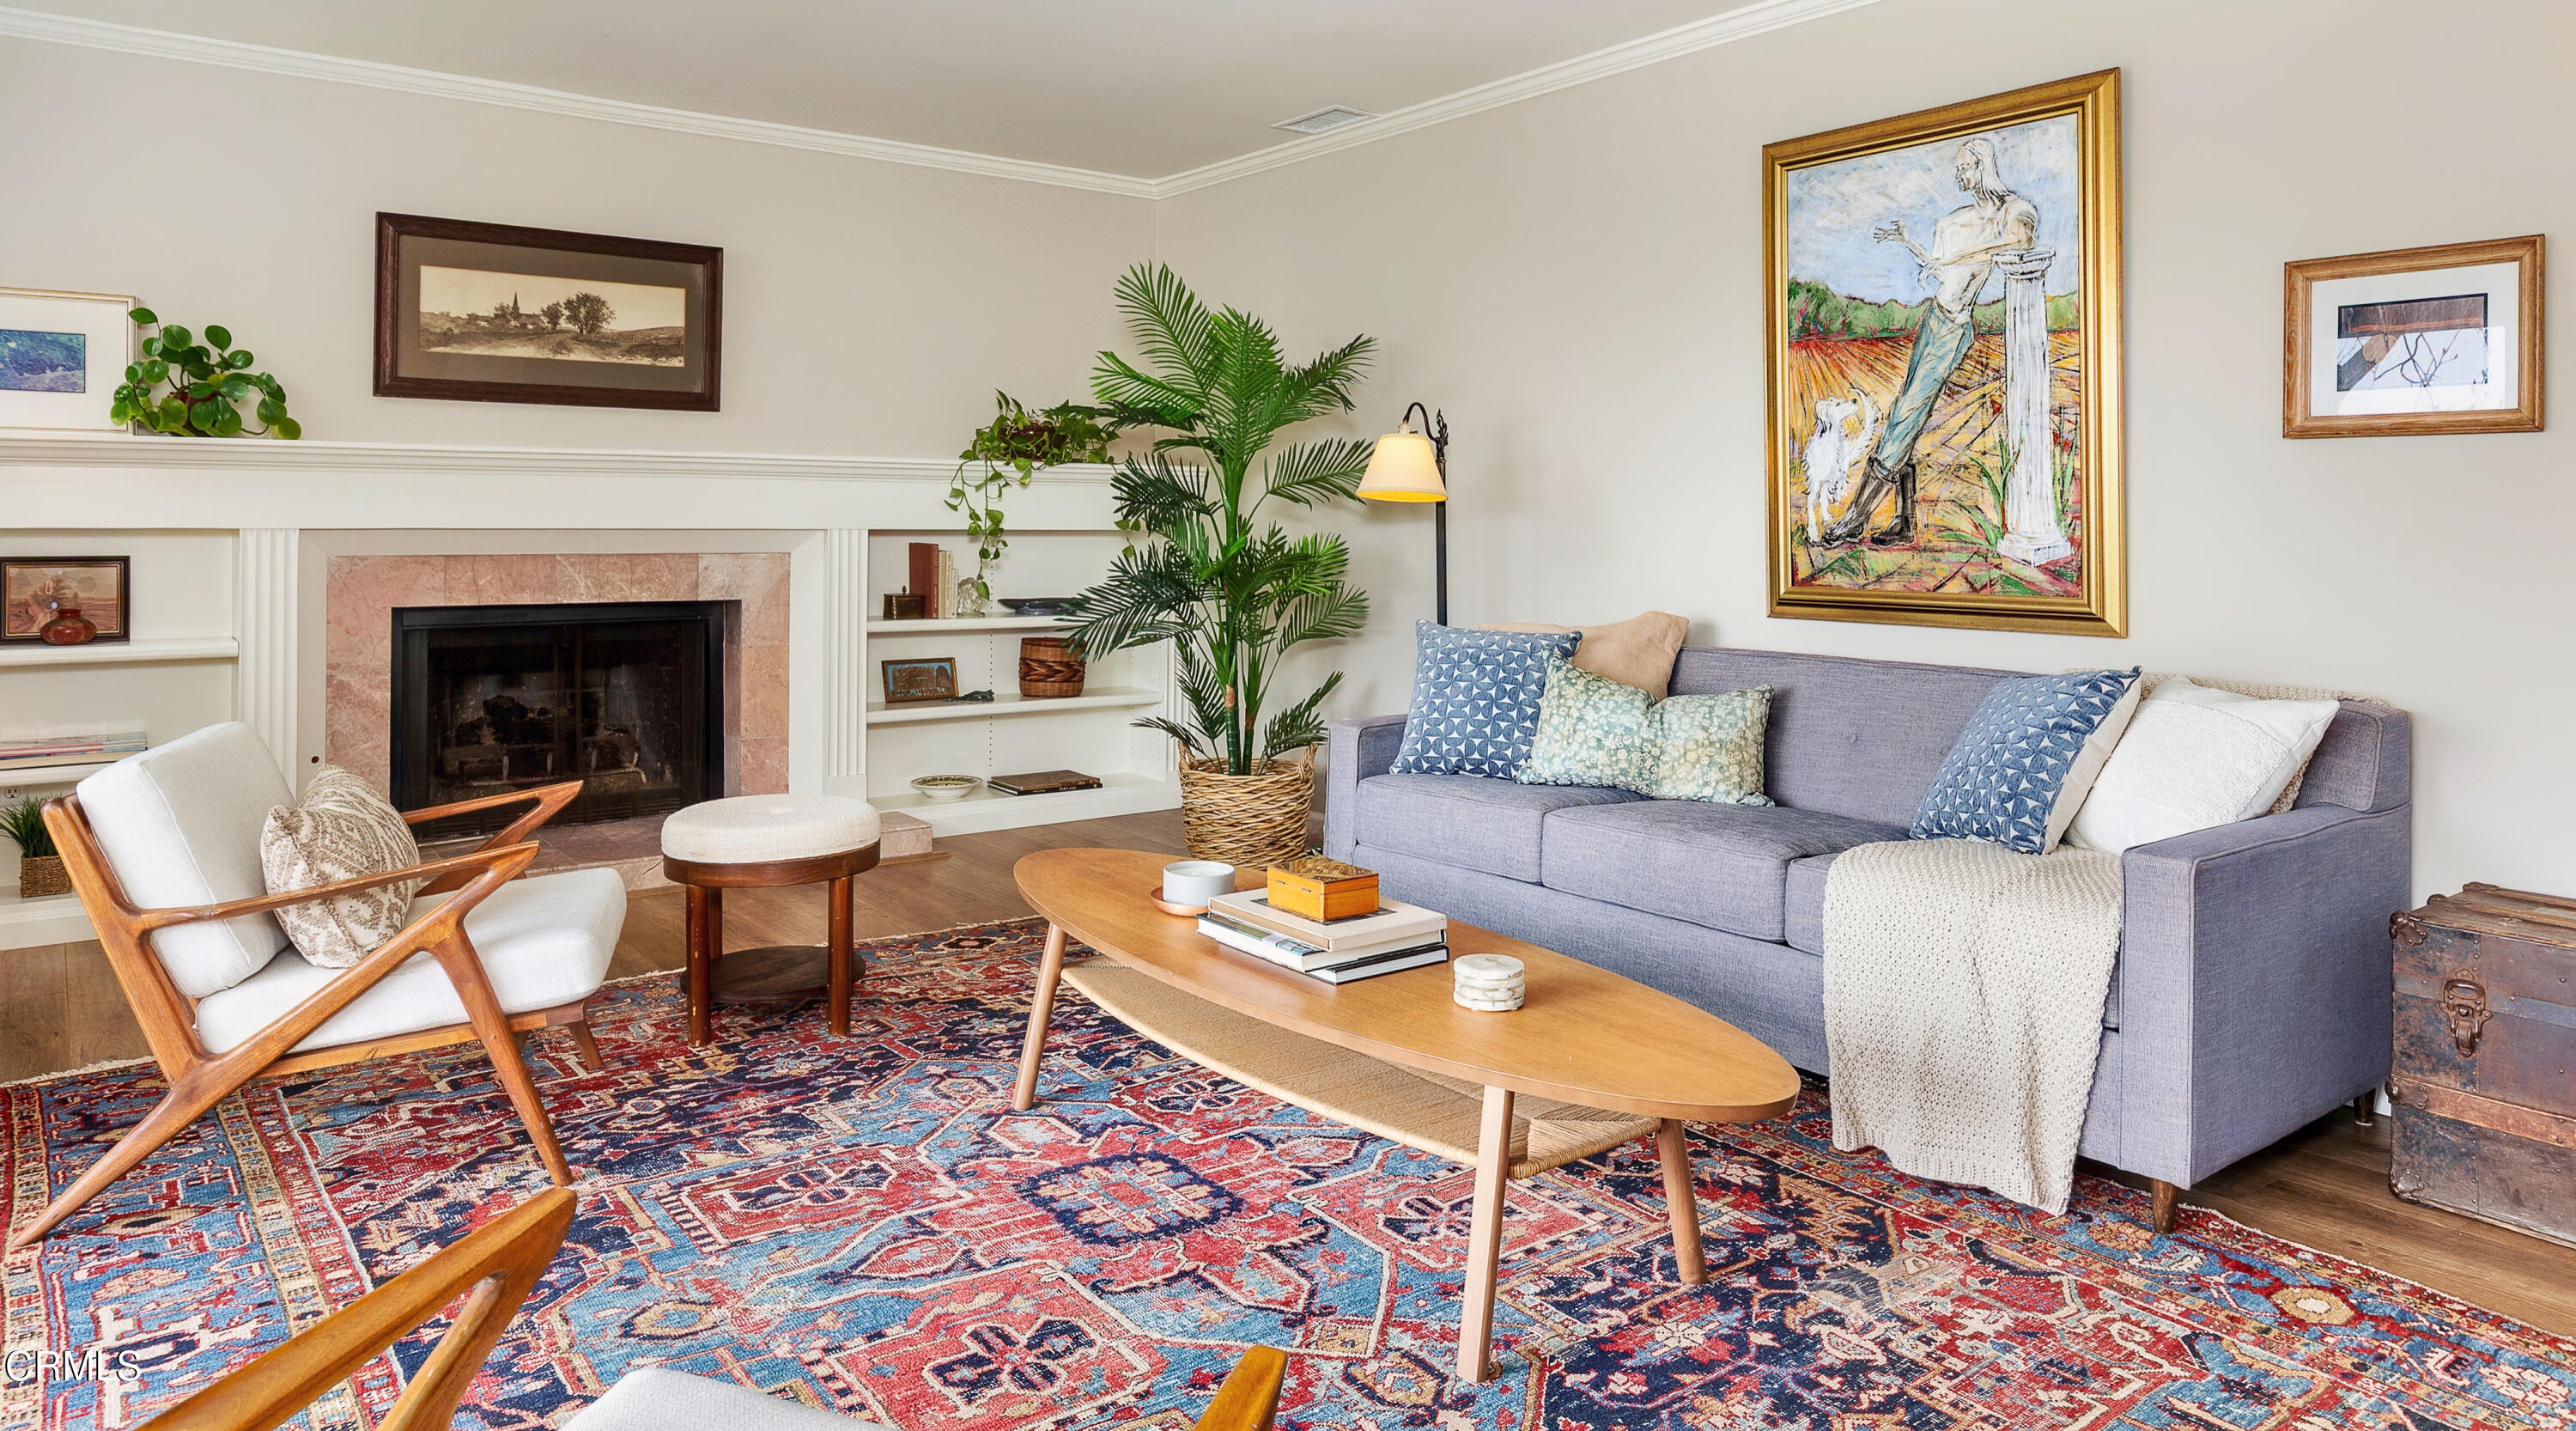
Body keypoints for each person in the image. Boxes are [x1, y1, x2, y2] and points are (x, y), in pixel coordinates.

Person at [1818, 137, 2038, 547]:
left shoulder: (2012, 210)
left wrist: (1969, 253)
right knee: (1906, 413)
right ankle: (1903, 521)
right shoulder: (1958, 221)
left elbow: (2022, 239)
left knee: (1905, 418)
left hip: (1953, 330)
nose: (1959, 174)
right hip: (1934, 319)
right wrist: (1909, 242)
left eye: (1965, 167)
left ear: (1982, 166)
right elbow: (1943, 273)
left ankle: (1855, 517)